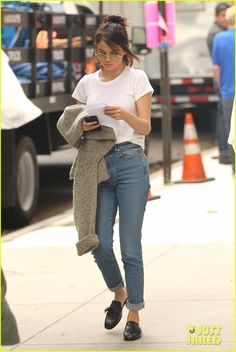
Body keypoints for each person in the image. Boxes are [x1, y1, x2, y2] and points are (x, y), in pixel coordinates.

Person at [72, 15, 153, 341]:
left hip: (131, 164)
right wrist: (84, 125)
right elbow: (71, 126)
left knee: (130, 247)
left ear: (125, 53)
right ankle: (118, 292)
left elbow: (145, 127)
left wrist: (126, 115)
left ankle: (133, 313)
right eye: (100, 52)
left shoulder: (138, 79)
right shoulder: (87, 83)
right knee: (99, 243)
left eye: (112, 53)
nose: (105, 59)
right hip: (98, 166)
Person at [206, 2, 230, 164]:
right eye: (223, 15)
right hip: (223, 82)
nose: (226, 18)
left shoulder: (220, 32)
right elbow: (217, 64)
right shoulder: (217, 34)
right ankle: (225, 152)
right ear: (216, 16)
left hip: (223, 81)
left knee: (223, 117)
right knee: (224, 118)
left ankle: (224, 152)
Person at [212, 5, 235, 168]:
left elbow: (216, 67)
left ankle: (234, 164)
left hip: (228, 92)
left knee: (230, 128)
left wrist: (222, 86)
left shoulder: (219, 38)